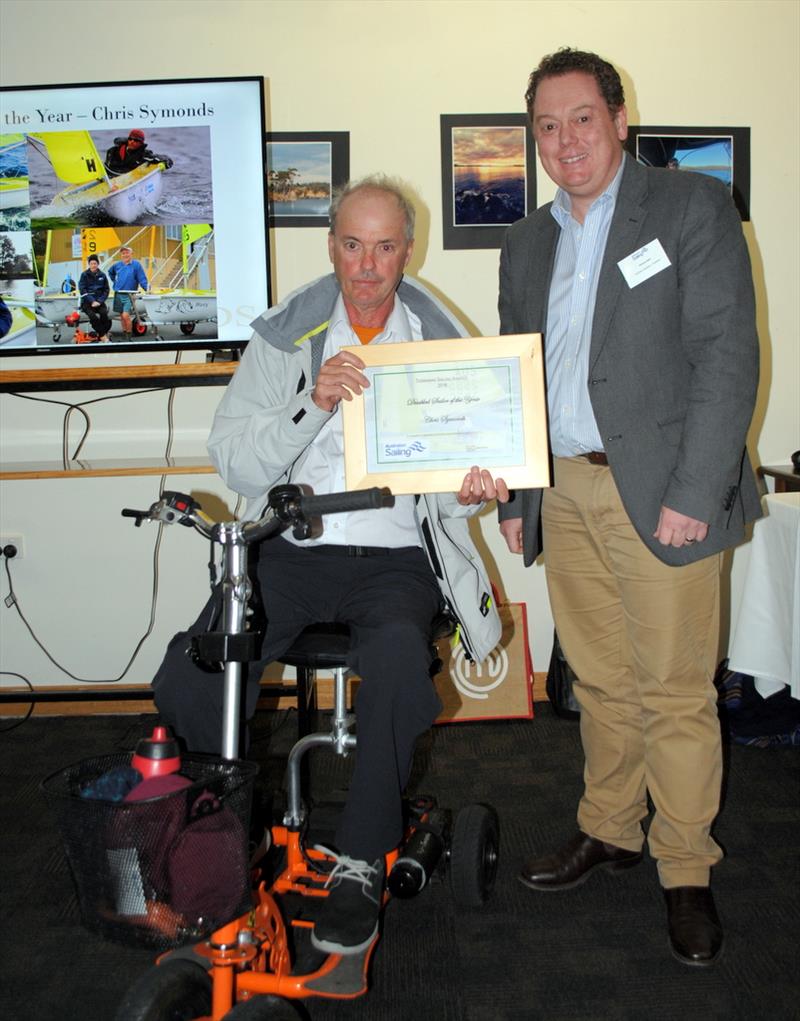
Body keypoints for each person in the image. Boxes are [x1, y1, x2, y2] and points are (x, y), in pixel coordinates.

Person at [154, 174, 509, 957]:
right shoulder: (287, 336)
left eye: (385, 247)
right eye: (353, 244)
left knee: (394, 660)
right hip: (296, 543)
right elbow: (235, 463)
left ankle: (358, 858)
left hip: (395, 554)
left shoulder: (441, 339)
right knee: (191, 673)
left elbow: (458, 486)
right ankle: (218, 829)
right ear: (332, 246)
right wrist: (309, 402)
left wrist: (477, 489)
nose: (367, 265)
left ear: (406, 253)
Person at [497, 48, 760, 967]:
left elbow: (729, 357)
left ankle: (685, 863)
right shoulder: (527, 241)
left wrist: (696, 492)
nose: (564, 139)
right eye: (546, 125)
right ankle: (609, 825)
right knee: (599, 680)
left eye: (580, 117)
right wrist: (523, 491)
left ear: (618, 118)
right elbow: (515, 374)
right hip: (564, 488)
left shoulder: (688, 207)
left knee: (676, 691)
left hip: (661, 493)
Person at [108, 246, 148, 340]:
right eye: (123, 253)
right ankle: (125, 335)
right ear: (121, 255)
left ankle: (129, 336)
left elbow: (142, 278)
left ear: (131, 254)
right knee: (122, 316)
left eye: (127, 253)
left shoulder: (136, 265)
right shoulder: (117, 265)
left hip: (129, 294)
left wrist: (147, 289)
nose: (125, 255)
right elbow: (110, 272)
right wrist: (115, 281)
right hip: (118, 293)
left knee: (126, 315)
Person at [104, 128, 173, 177]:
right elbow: (107, 167)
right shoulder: (113, 151)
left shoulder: (144, 155)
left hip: (129, 181)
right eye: (130, 139)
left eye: (136, 140)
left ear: (141, 143)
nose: (132, 142)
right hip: (110, 179)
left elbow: (167, 160)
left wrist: (164, 164)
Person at [78, 255, 111, 342]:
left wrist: (99, 301)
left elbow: (106, 290)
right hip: (87, 302)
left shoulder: (102, 275)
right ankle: (103, 336)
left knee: (104, 314)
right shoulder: (84, 275)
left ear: (98, 264)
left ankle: (100, 334)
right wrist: (92, 301)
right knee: (93, 317)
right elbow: (82, 290)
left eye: (95, 263)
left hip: (99, 302)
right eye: (91, 263)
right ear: (89, 264)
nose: (93, 265)